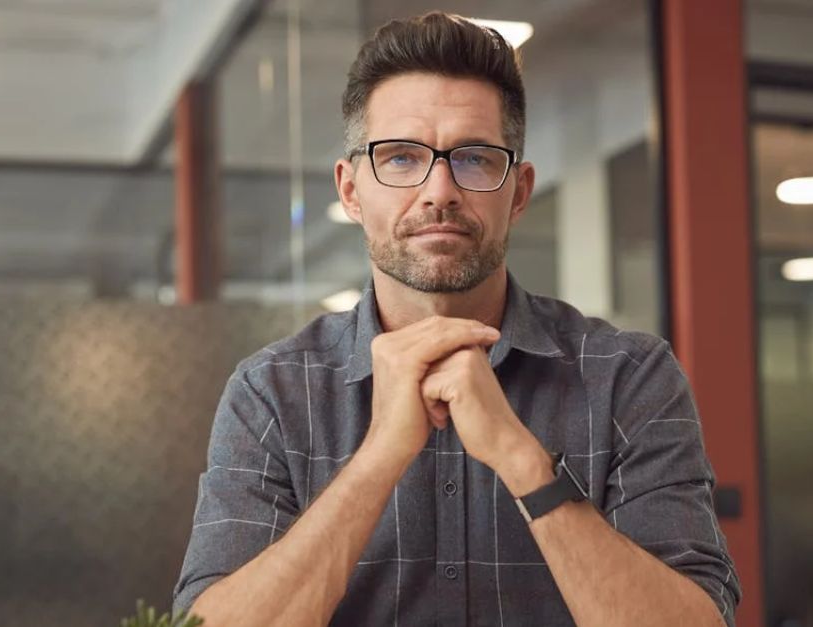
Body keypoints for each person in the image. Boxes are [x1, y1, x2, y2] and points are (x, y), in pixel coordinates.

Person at [173, 11, 740, 626]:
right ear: (351, 191)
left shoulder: (629, 377)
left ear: (518, 192)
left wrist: (523, 460)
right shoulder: (271, 393)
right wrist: (379, 457)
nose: (439, 189)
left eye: (472, 159)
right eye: (399, 158)